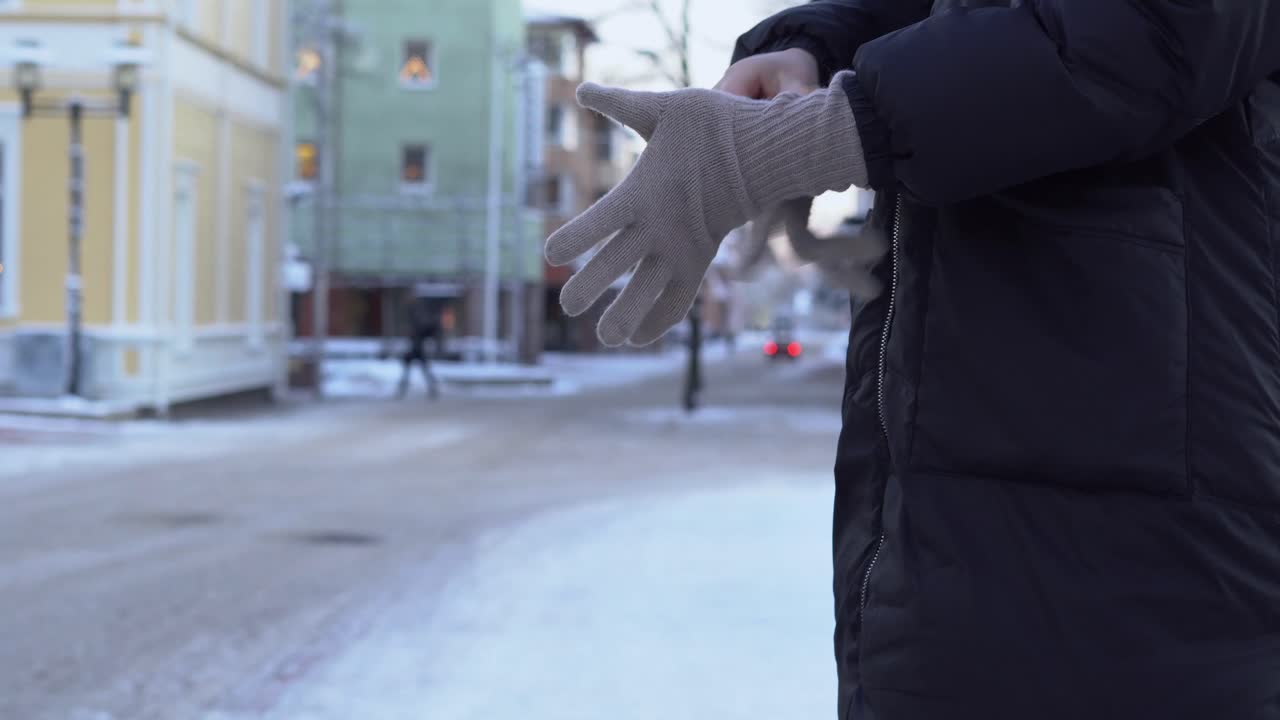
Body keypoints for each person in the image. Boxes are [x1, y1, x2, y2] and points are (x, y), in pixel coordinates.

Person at [544, 1, 1280, 718]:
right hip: (952, 523)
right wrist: (811, 53)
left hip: (1141, 536)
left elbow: (1162, 25)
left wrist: (834, 130)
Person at [396, 297, 440, 400]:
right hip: (415, 349)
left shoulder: (418, 322)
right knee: (411, 371)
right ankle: (431, 388)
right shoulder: (416, 321)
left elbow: (426, 330)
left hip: (417, 349)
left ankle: (431, 388)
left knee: (420, 371)